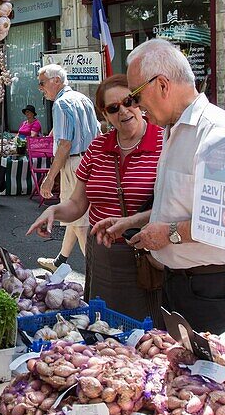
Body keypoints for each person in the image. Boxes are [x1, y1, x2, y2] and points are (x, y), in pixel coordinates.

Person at [95, 40, 225, 335]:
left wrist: (168, 234)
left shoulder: (218, 133)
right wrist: (136, 220)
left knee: (216, 376)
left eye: (136, 96)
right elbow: (180, 204)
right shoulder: (173, 129)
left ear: (162, 85)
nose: (136, 106)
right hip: (183, 282)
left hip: (213, 288)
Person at [30, 74, 165, 324]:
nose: (123, 111)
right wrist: (54, 212)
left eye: (129, 101)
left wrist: (132, 221)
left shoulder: (164, 142)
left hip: (147, 256)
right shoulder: (97, 147)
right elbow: (78, 204)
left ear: (140, 102)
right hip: (102, 254)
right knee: (104, 330)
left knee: (145, 337)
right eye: (113, 108)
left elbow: (175, 208)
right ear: (104, 114)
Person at [36, 64, 99, 272]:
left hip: (74, 163)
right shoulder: (84, 99)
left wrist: (50, 177)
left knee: (79, 221)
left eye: (42, 83)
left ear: (56, 81)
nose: (41, 88)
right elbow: (98, 132)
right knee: (75, 216)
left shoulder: (61, 104)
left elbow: (65, 144)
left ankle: (96, 274)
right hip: (90, 160)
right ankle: (59, 262)